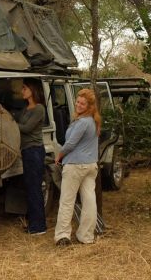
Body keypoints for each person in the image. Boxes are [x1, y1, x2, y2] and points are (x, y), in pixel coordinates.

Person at [53, 88, 101, 246]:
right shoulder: (93, 121)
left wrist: (59, 155)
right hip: (90, 166)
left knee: (67, 200)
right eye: (78, 101)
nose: (79, 105)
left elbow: (70, 144)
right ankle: (86, 236)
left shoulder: (81, 122)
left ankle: (62, 236)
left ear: (89, 106)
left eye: (83, 103)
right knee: (89, 201)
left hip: (75, 165)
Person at [15, 79, 47, 235]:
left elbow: (26, 128)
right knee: (30, 187)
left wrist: (11, 123)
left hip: (34, 151)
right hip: (27, 151)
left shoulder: (39, 109)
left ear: (32, 90)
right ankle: (33, 223)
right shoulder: (25, 109)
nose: (22, 91)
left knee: (35, 188)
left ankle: (39, 226)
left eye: (24, 88)